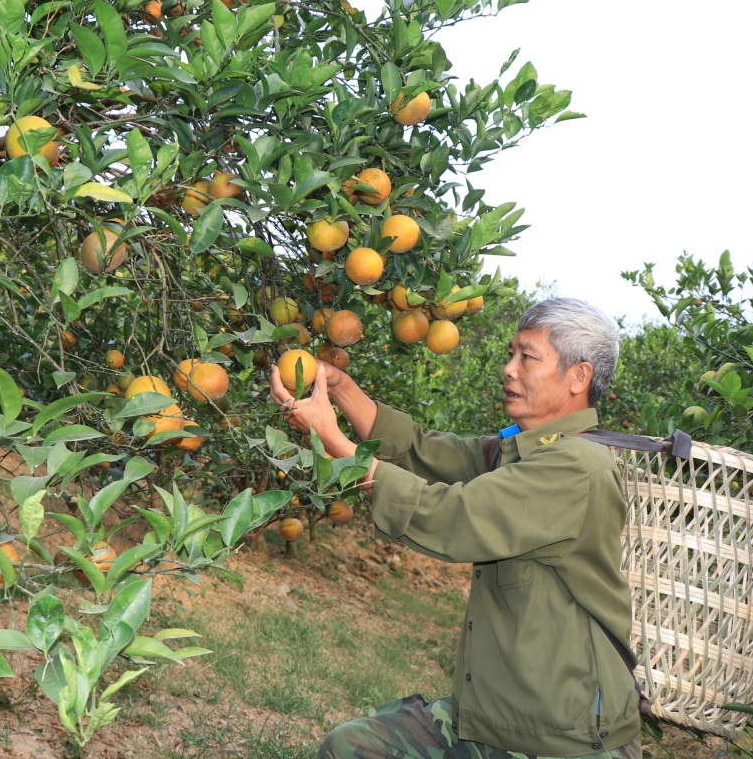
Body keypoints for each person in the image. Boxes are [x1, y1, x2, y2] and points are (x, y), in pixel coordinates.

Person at [269, 298, 641, 759]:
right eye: (511, 354)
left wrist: (333, 440)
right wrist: (341, 389)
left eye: (527, 357)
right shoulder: (528, 451)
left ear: (578, 377)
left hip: (563, 737)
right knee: (352, 748)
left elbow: (453, 517)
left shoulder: (576, 466)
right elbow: (428, 454)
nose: (508, 369)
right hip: (495, 716)